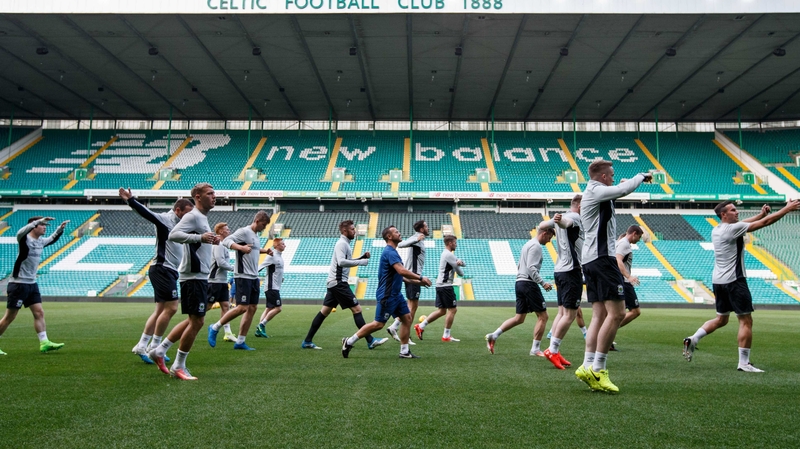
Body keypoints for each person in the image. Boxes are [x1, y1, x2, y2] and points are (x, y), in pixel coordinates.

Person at [683, 200, 800, 372]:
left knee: (721, 319)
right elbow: (766, 223)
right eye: (733, 210)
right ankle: (744, 363)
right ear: (724, 214)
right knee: (746, 321)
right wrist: (787, 209)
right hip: (735, 281)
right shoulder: (732, 229)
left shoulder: (717, 229)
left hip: (718, 281)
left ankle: (694, 338)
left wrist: (761, 214)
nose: (737, 212)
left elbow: (745, 223)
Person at [574, 160, 651, 394]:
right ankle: (599, 369)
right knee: (617, 313)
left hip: (591, 260)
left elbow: (616, 192)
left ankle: (587, 365)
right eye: (612, 175)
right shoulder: (596, 190)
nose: (615, 179)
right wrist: (640, 176)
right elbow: (621, 190)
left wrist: (623, 186)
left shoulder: (594, 193)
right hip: (602, 259)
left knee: (599, 315)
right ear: (604, 177)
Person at [148, 183, 219, 380]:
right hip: (193, 276)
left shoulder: (201, 218)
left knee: (193, 320)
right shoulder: (193, 216)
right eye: (210, 193)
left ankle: (160, 350)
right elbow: (173, 235)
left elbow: (197, 240)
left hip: (198, 275)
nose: (214, 196)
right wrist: (200, 238)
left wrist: (209, 240)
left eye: (214, 193)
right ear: (198, 197)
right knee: (197, 322)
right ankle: (178, 366)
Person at [121, 188, 194, 364]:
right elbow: (147, 213)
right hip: (163, 268)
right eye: (187, 213)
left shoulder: (181, 225)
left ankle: (142, 345)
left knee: (160, 310)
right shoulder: (165, 219)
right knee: (172, 308)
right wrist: (131, 200)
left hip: (168, 270)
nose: (189, 217)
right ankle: (154, 346)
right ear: (178, 210)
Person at [341, 226, 432, 359]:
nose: (399, 233)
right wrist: (420, 278)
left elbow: (401, 276)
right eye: (396, 232)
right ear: (389, 237)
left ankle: (404, 351)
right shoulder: (390, 252)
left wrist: (418, 283)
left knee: (407, 319)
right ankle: (349, 342)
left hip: (396, 295)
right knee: (378, 324)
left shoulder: (393, 252)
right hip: (387, 295)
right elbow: (402, 271)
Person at [301, 220, 388, 350]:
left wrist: (361, 257)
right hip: (339, 282)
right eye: (352, 229)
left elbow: (345, 261)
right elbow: (341, 262)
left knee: (324, 312)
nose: (355, 231)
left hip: (334, 282)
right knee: (357, 309)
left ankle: (307, 341)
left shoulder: (344, 244)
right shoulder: (342, 244)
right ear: (344, 231)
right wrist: (361, 262)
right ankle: (370, 340)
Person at [0, 216, 68, 355]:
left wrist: (59, 229)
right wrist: (37, 221)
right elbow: (20, 232)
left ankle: (44, 342)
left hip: (32, 284)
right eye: (43, 225)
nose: (44, 227)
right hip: (19, 284)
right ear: (34, 226)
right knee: (10, 316)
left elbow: (52, 239)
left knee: (39, 312)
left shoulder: (40, 241)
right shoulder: (24, 239)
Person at [485, 225, 554, 356]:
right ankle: (535, 349)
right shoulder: (536, 246)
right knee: (543, 316)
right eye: (549, 237)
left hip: (520, 282)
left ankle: (494, 335)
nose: (549, 241)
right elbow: (531, 267)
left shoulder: (527, 244)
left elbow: (520, 265)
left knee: (519, 318)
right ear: (544, 233)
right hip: (529, 283)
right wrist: (543, 283)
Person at [208, 211, 272, 350]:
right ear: (257, 221)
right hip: (243, 276)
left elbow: (253, 250)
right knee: (242, 307)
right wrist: (240, 247)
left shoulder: (255, 236)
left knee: (252, 308)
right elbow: (226, 241)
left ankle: (240, 341)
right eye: (263, 224)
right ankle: (215, 327)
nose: (264, 227)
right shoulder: (244, 231)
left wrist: (265, 251)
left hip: (253, 277)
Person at [538, 195, 585, 369]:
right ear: (580, 206)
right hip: (571, 270)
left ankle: (554, 350)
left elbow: (542, 225)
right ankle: (553, 350)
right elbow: (567, 223)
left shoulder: (565, 215)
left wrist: (555, 220)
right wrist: (561, 221)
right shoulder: (576, 217)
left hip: (559, 270)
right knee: (570, 315)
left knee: (562, 312)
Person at [414, 235, 465, 342]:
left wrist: (460, 262)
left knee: (442, 311)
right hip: (446, 286)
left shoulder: (446, 254)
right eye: (455, 243)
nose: (456, 245)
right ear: (450, 243)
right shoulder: (449, 255)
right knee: (453, 309)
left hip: (440, 285)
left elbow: (461, 263)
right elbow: (460, 272)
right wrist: (459, 264)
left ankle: (421, 326)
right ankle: (446, 336)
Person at [387, 220, 428, 345]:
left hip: (413, 275)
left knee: (411, 306)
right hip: (413, 276)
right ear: (421, 229)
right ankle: (404, 334)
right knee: (412, 307)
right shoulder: (416, 238)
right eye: (426, 226)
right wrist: (416, 239)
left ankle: (395, 326)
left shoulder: (417, 238)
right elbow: (401, 244)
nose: (428, 228)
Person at [207, 222, 237, 343]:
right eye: (227, 229)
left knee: (225, 306)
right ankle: (192, 321)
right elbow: (220, 262)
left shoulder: (223, 244)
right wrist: (234, 268)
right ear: (220, 231)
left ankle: (228, 333)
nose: (229, 231)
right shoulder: (218, 244)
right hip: (215, 281)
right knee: (208, 306)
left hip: (222, 281)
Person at [255, 238, 285, 338]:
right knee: (278, 308)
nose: (285, 245)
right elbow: (260, 267)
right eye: (282, 244)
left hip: (275, 286)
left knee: (269, 308)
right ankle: (261, 325)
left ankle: (259, 330)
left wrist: (281, 278)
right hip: (272, 287)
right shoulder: (272, 256)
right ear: (276, 246)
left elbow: (276, 271)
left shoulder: (279, 257)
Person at [616, 225, 644, 331]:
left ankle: (607, 333)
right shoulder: (624, 244)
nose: (639, 240)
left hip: (619, 280)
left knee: (617, 312)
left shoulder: (621, 242)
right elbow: (618, 260)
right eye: (639, 237)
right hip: (624, 282)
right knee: (635, 311)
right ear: (634, 233)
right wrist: (629, 276)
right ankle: (608, 331)